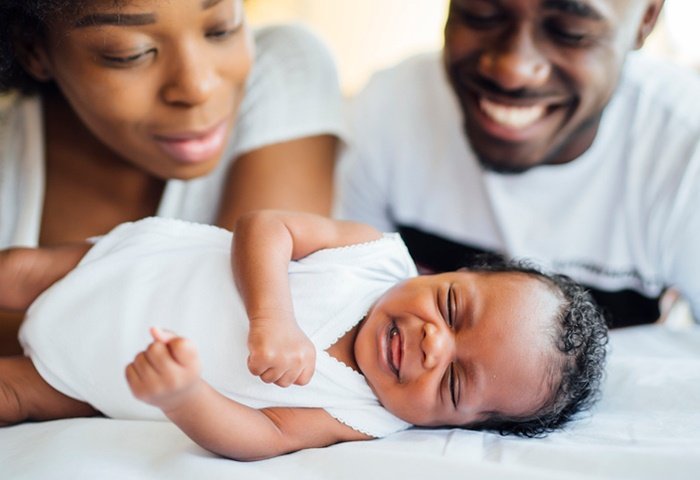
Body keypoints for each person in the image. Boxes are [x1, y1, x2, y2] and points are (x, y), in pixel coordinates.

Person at [0, 211, 608, 461]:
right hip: (123, 269)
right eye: (451, 307)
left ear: (458, 425)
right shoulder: (371, 253)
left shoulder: (365, 416)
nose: (432, 345)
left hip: (98, 377)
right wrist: (272, 318)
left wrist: (183, 396)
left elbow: (262, 437)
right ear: (444, 272)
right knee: (14, 273)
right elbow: (266, 226)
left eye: (453, 380)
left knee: (14, 396)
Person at [0, 0, 344, 353]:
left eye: (222, 28)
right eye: (130, 54)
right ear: (33, 49)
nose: (197, 87)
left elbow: (234, 345)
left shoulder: (283, 69)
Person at [335, 0, 700, 328]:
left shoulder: (685, 152)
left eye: (570, 32)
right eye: (481, 14)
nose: (513, 69)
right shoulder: (390, 109)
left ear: (646, 18)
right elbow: (343, 305)